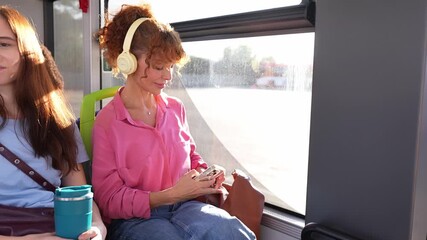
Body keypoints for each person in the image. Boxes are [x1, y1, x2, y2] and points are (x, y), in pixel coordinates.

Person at [92, 3, 256, 240]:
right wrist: (169, 195)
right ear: (128, 61)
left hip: (186, 208)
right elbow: (108, 201)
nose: (168, 76)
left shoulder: (175, 109)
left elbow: (191, 159)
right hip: (135, 220)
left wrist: (205, 173)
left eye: (170, 67)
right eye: (159, 67)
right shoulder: (107, 123)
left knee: (234, 232)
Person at [0, 5, 106, 239]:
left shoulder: (57, 121)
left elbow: (77, 193)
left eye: (3, 44)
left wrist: (97, 226)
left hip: (59, 226)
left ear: (26, 52)